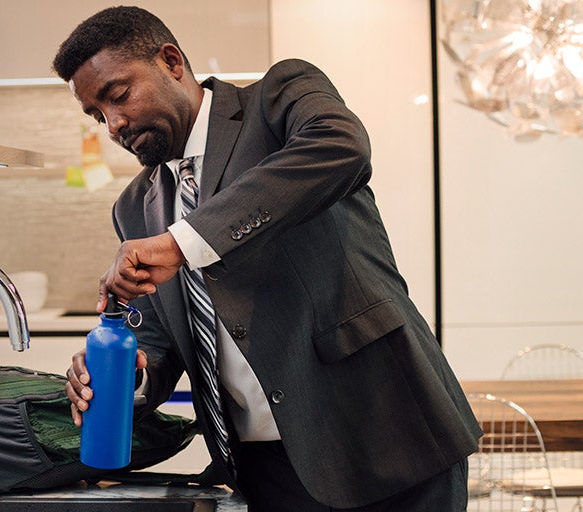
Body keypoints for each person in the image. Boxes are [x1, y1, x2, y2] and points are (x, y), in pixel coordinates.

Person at [53, 6, 481, 511]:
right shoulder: (133, 207)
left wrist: (182, 242)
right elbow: (158, 339)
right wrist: (130, 375)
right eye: (97, 114)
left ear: (171, 61)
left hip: (384, 434)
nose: (114, 124)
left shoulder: (279, 97)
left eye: (119, 96)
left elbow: (341, 146)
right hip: (264, 470)